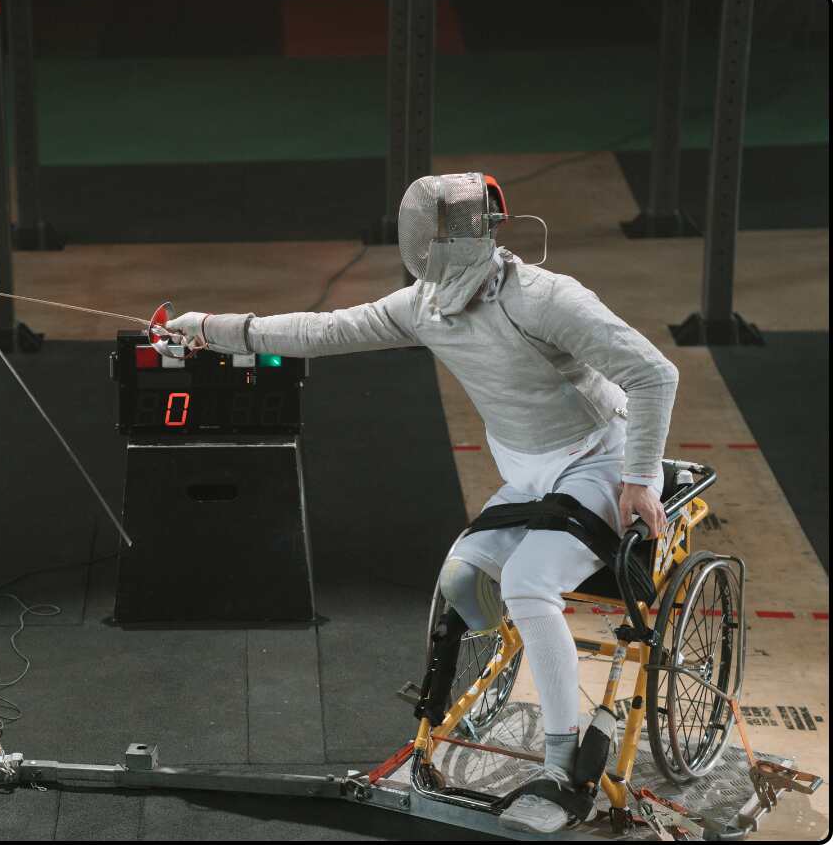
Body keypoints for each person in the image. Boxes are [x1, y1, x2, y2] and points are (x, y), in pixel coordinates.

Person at [163, 173, 677, 834]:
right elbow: (323, 330)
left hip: (600, 462)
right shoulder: (423, 306)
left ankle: (564, 766)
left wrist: (638, 477)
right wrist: (212, 328)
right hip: (527, 476)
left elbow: (654, 373)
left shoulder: (546, 299)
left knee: (526, 584)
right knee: (462, 576)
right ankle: (508, 682)